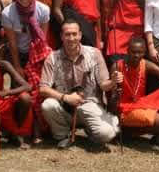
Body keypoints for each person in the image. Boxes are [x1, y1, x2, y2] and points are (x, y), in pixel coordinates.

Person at [39, 20, 120, 149]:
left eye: (74, 34)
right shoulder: (52, 58)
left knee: (108, 133)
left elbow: (104, 84)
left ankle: (92, 130)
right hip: (64, 107)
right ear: (61, 36)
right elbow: (43, 88)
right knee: (48, 105)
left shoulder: (95, 54)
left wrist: (113, 81)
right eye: (67, 34)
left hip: (90, 105)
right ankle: (63, 136)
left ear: (80, 35)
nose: (71, 38)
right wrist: (66, 98)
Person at [1, 0, 52, 141]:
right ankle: (20, 129)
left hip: (37, 54)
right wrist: (17, 66)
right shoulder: (8, 13)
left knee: (38, 89)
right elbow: (12, 43)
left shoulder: (43, 10)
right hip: (18, 54)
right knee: (22, 92)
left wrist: (37, 63)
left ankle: (38, 129)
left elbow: (42, 40)